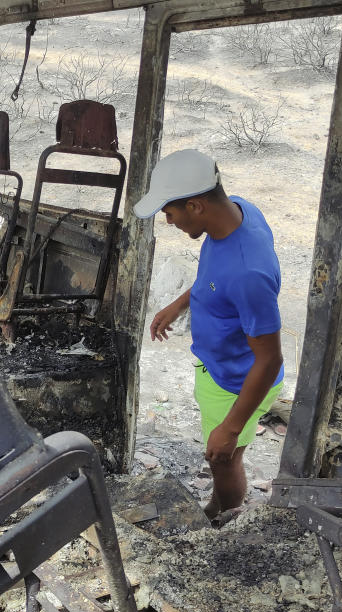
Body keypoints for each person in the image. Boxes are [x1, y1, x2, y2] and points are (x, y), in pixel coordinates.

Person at [134, 149, 284, 523]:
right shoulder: (237, 211)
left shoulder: (250, 274)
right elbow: (216, 277)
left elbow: (270, 360)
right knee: (223, 454)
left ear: (197, 206)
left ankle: (223, 513)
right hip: (219, 367)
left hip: (236, 382)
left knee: (223, 459)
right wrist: (182, 303)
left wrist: (230, 428)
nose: (168, 221)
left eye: (169, 213)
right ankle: (223, 501)